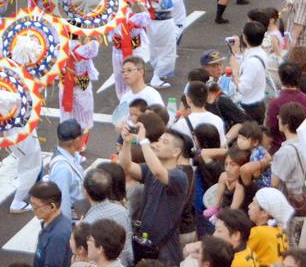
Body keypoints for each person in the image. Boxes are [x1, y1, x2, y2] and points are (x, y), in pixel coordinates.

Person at [118, 122, 189, 264]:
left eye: (164, 142)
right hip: (145, 245)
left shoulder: (179, 176)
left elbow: (158, 172)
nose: (157, 144)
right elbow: (127, 166)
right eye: (159, 140)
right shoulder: (150, 169)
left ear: (175, 152)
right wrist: (126, 142)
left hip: (165, 251)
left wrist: (143, 141)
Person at [271, 104, 306, 247]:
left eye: (280, 117)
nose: (278, 118)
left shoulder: (285, 152)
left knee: (290, 246)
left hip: (291, 206)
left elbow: (274, 184)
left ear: (285, 124)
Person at [81, 165, 133, 266]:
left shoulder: (88, 222)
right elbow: (128, 247)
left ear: (86, 192)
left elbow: (88, 257)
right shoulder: (123, 211)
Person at [266, 62, 306, 152]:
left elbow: (271, 128)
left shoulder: (275, 103)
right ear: (299, 77)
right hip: (301, 145)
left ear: (280, 78)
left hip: (279, 147)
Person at [230, 21, 269, 123]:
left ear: (245, 37)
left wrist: (235, 71)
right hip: (257, 102)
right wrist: (236, 51)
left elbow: (242, 88)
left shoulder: (252, 62)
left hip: (250, 108)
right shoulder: (260, 53)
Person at [47, 120, 86, 220]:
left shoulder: (71, 157)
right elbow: (62, 204)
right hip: (74, 221)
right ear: (76, 141)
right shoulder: (62, 169)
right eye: (82, 136)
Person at [29, 180, 73, 267]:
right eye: (32, 205)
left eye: (36, 206)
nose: (33, 209)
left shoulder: (58, 235)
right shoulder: (49, 223)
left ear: (52, 206)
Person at [246, 188, 292, 265]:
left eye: (253, 203)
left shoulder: (258, 232)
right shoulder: (281, 231)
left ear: (264, 212)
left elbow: (240, 256)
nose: (249, 206)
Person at [173, 80, 227, 145]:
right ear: (206, 97)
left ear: (188, 99)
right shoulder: (217, 120)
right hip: (213, 154)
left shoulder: (180, 124)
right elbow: (223, 145)